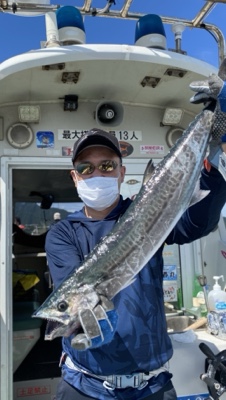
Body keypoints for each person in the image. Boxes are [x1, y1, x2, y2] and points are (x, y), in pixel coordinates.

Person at [45, 79, 226, 400]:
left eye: (107, 166)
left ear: (120, 171)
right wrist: (78, 312)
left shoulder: (149, 207)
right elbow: (73, 283)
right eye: (86, 168)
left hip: (153, 385)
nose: (97, 173)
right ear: (74, 176)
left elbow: (199, 223)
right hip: (84, 385)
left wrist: (212, 156)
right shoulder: (64, 233)